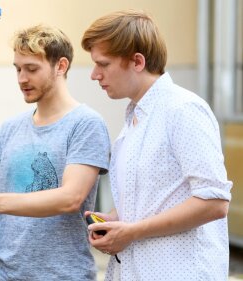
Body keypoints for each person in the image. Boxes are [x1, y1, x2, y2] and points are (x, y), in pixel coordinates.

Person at [0, 24, 110, 281]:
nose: (21, 79)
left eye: (32, 69)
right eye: (18, 69)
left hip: (62, 275)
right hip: (4, 274)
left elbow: (70, 198)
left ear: (60, 66)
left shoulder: (86, 124)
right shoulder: (11, 128)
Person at [81, 9, 233, 281]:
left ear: (137, 62)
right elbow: (158, 197)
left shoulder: (183, 110)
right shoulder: (136, 116)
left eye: (103, 64)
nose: (94, 75)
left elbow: (214, 201)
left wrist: (132, 231)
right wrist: (116, 220)